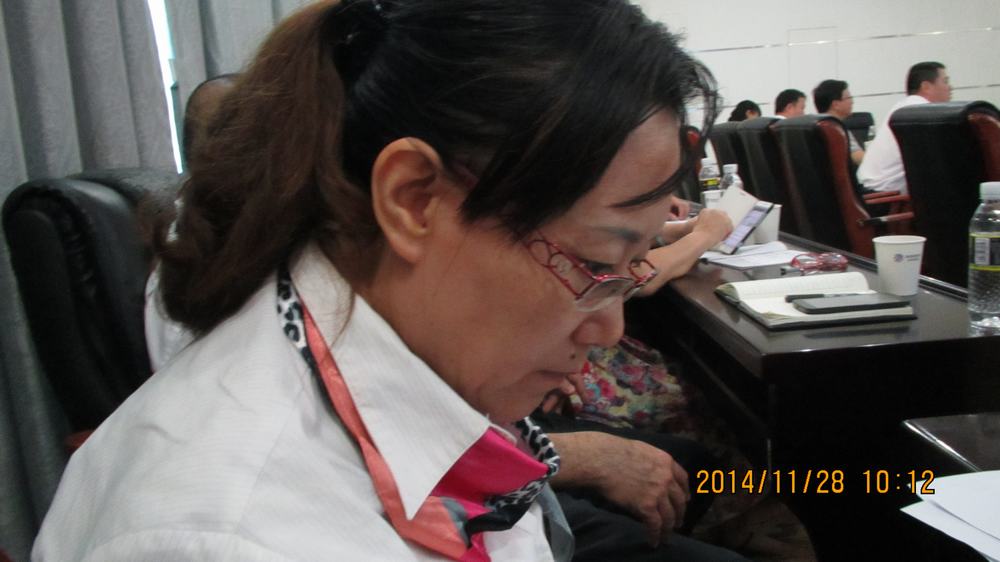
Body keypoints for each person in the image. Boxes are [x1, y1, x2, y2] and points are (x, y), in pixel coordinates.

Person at [32, 0, 739, 560]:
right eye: (596, 260)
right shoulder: (235, 535)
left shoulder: (414, 357)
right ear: (413, 199)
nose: (609, 326)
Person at [857, 61, 952, 194]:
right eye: (945, 81)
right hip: (885, 197)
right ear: (926, 87)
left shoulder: (905, 107)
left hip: (870, 191)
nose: (950, 87)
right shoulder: (921, 111)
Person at [813, 79, 864, 165]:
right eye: (849, 98)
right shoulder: (836, 129)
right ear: (836, 104)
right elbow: (859, 158)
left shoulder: (816, 125)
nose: (852, 102)